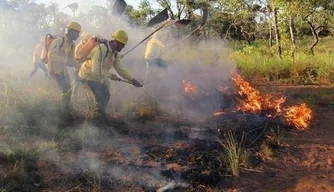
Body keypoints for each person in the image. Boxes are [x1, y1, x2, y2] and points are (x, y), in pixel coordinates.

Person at [78, 30, 142, 121]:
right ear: (115, 42)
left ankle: (99, 116)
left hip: (97, 78)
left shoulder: (115, 54)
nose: (123, 47)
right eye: (122, 44)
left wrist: (132, 80)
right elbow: (95, 70)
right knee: (98, 97)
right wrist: (111, 75)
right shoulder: (101, 49)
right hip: (87, 76)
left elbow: (121, 70)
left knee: (106, 95)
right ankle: (94, 120)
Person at [47, 21, 81, 111]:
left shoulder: (72, 44)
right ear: (72, 32)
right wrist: (64, 60)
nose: (78, 35)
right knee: (66, 90)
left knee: (69, 90)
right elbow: (51, 55)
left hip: (63, 70)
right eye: (78, 33)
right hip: (54, 70)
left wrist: (81, 67)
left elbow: (71, 60)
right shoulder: (59, 40)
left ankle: (65, 108)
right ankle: (62, 110)